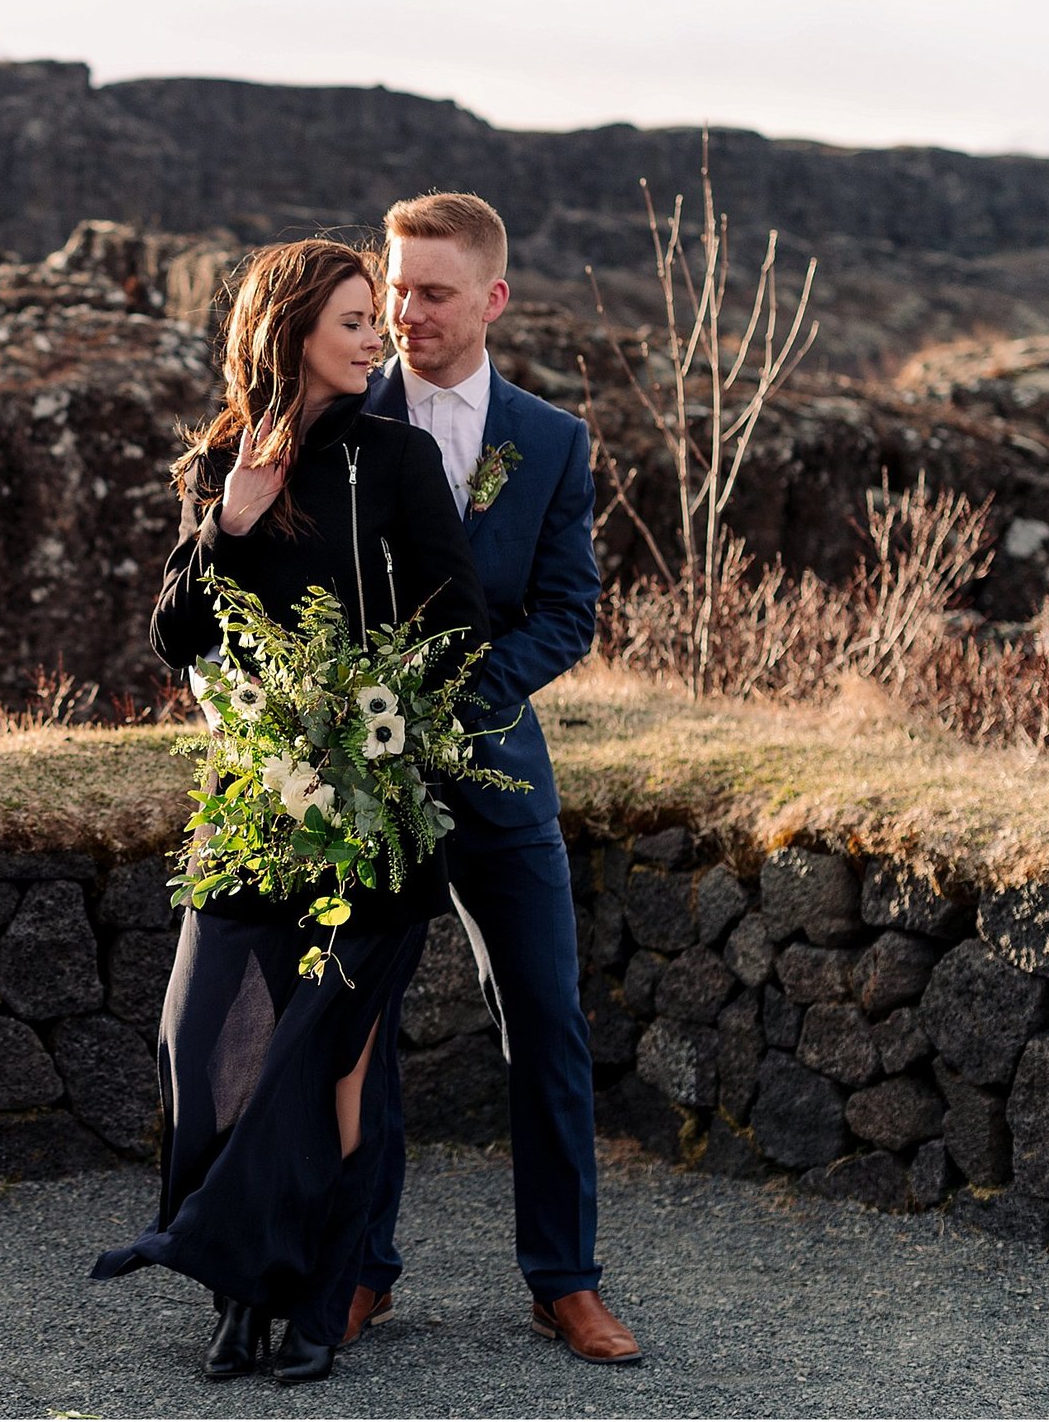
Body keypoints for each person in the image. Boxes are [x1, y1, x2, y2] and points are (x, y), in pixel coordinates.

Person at [91, 238, 489, 1384]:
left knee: (336, 1065)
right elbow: (175, 637)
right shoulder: (224, 459)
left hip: (372, 803)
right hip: (252, 801)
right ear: (292, 329)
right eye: (357, 319)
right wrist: (230, 522)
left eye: (379, 317)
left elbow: (459, 621)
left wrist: (382, 718)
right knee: (200, 1042)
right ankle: (237, 1288)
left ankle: (318, 1295)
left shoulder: (398, 456)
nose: (380, 336)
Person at [347, 192, 641, 1364]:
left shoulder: (554, 439)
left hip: (502, 780)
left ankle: (562, 1280)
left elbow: (569, 612)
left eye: (431, 291)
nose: (405, 313)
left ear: (492, 300)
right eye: (397, 287)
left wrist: (462, 701)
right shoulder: (341, 418)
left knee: (549, 1028)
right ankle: (362, 1269)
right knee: (356, 1032)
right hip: (364, 781)